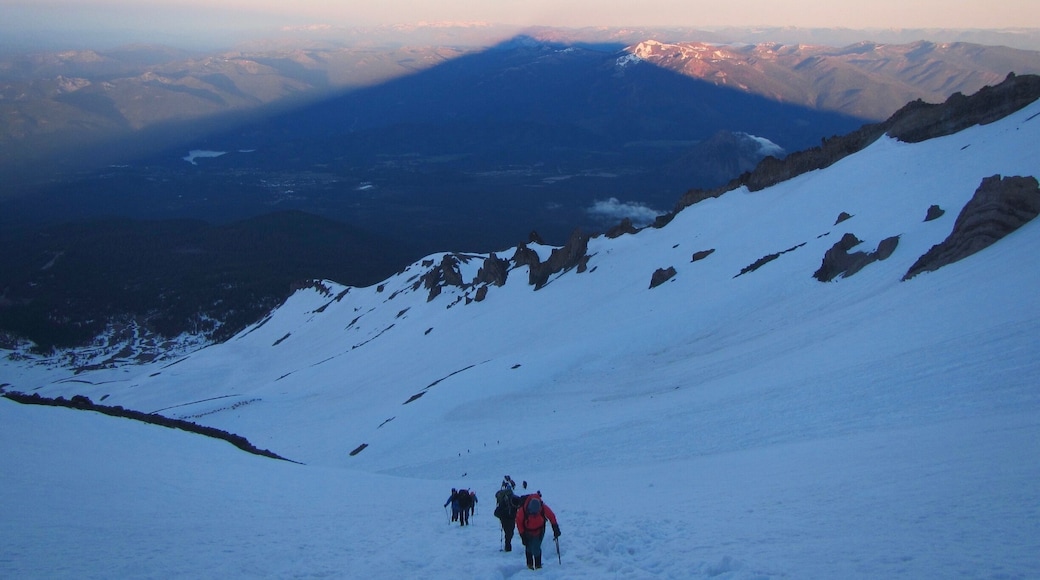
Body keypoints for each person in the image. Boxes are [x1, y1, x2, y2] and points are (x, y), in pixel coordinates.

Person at [515, 492, 560, 570]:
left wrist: (555, 528)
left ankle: (538, 565)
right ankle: (529, 564)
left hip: (539, 530)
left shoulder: (542, 507)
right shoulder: (523, 511)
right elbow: (519, 523)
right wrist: (522, 536)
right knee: (528, 547)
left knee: (536, 547)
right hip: (527, 531)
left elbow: (551, 516)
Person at [494, 479, 521, 551]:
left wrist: (501, 516)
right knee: (509, 533)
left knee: (508, 533)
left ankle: (507, 546)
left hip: (505, 519)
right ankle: (508, 547)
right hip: (511, 518)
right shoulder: (514, 498)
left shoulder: (504, 501)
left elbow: (496, 513)